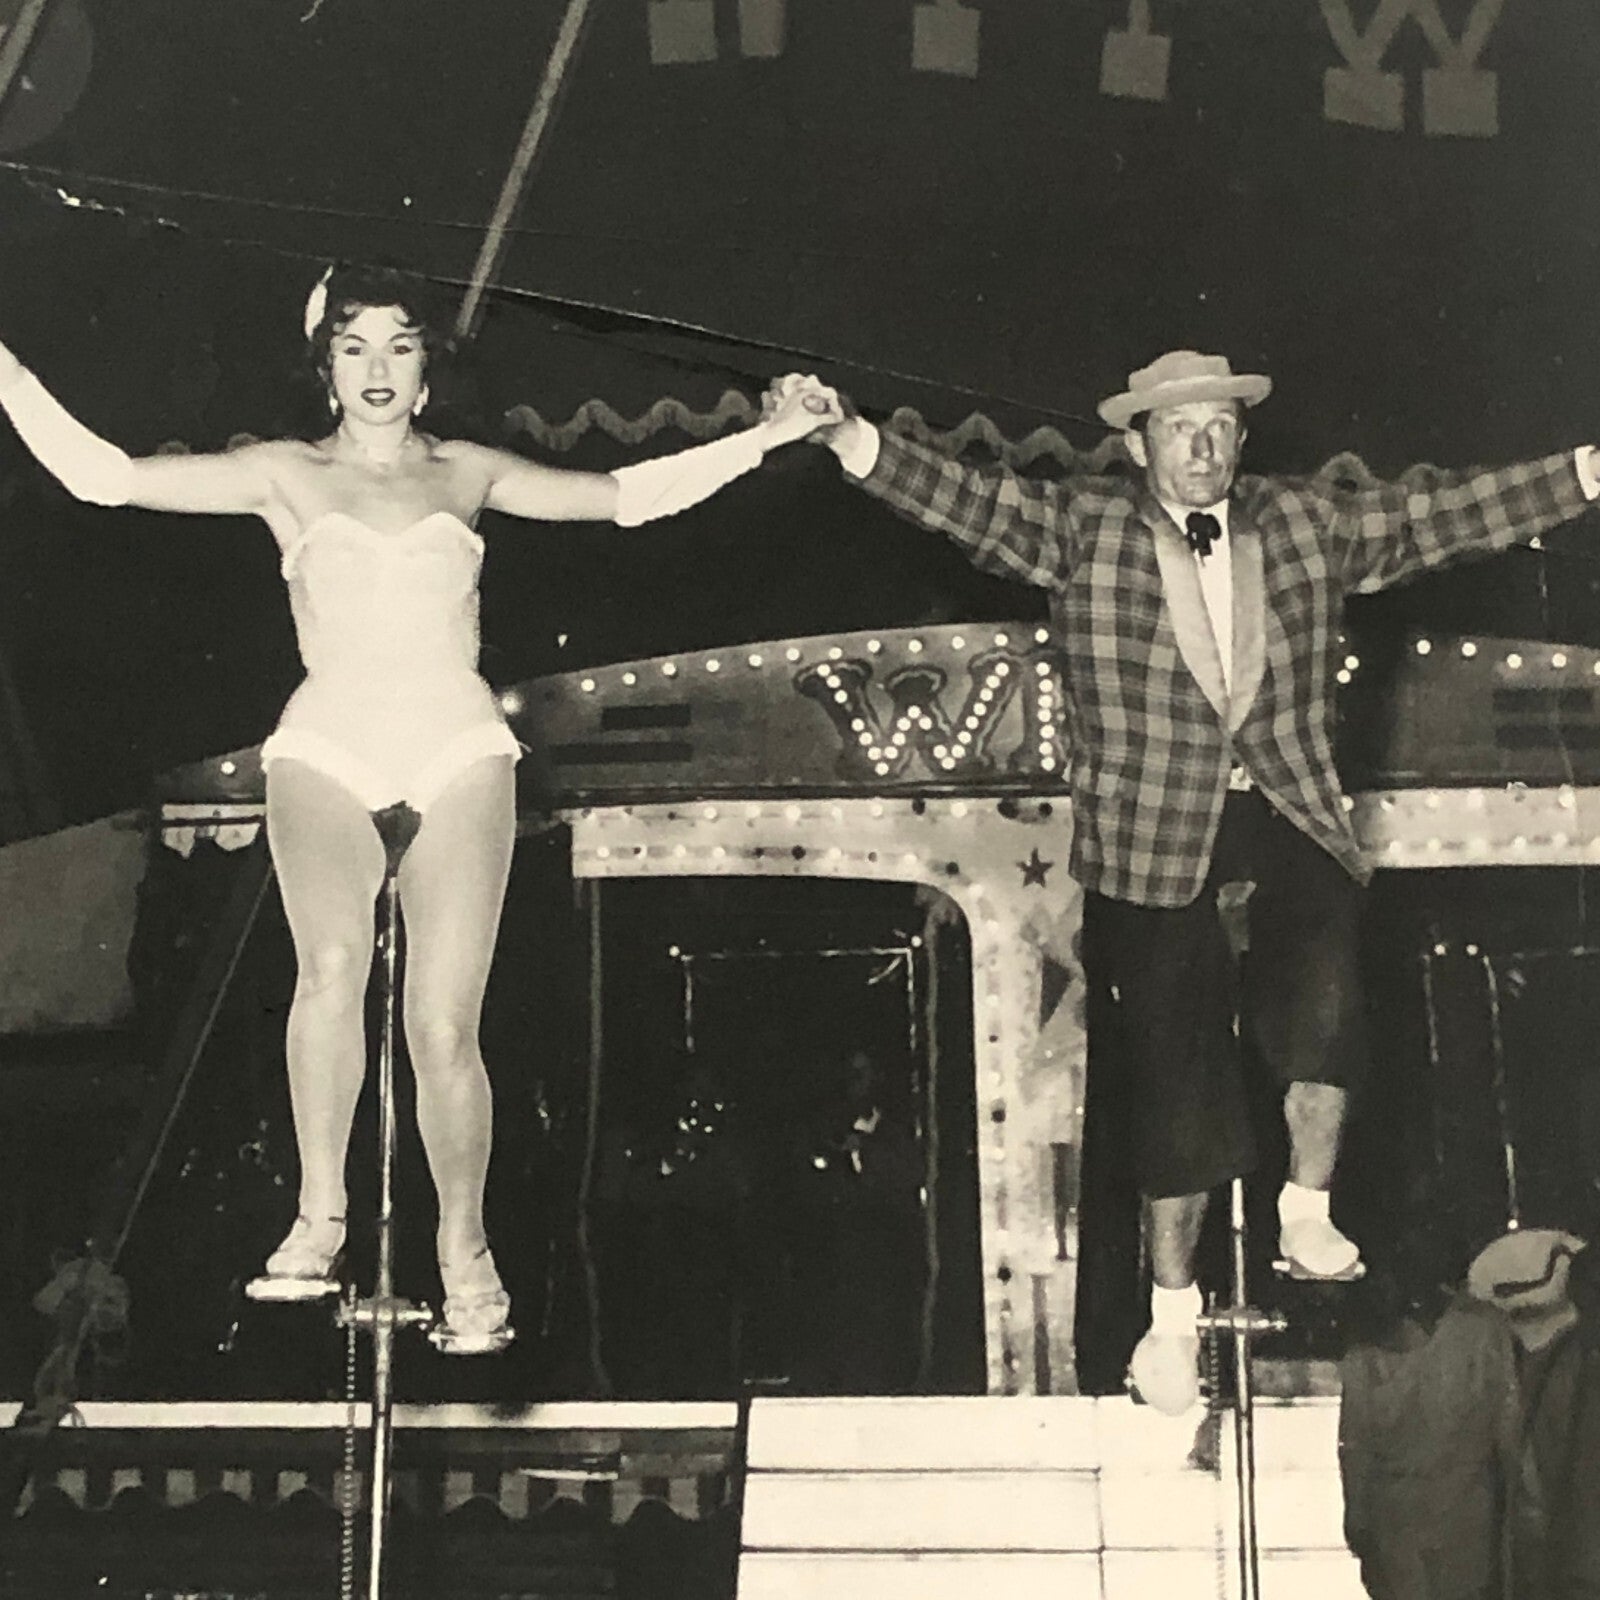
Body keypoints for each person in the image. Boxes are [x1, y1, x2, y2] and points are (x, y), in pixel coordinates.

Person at [0, 262, 841, 1355]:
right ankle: (318, 1218)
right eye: (354, 346)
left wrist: (766, 438)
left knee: (443, 1023)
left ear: (429, 366)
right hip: (328, 740)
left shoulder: (469, 470)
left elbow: (626, 498)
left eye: (400, 344)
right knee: (332, 968)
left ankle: (467, 1255)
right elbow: (103, 476)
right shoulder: (281, 472)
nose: (378, 368)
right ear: (324, 366)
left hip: (455, 741)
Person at [774, 350, 1600, 1412]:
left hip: (1286, 804)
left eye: (1218, 427)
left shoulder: (1307, 523)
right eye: (1179, 430)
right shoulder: (1083, 527)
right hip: (1149, 835)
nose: (1202, 448)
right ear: (1138, 444)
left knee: (1326, 978)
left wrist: (1583, 470)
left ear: (1241, 438)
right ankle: (1168, 1322)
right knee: (1174, 1070)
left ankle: (1306, 1204)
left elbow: (1438, 517)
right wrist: (847, 436)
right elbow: (962, 501)